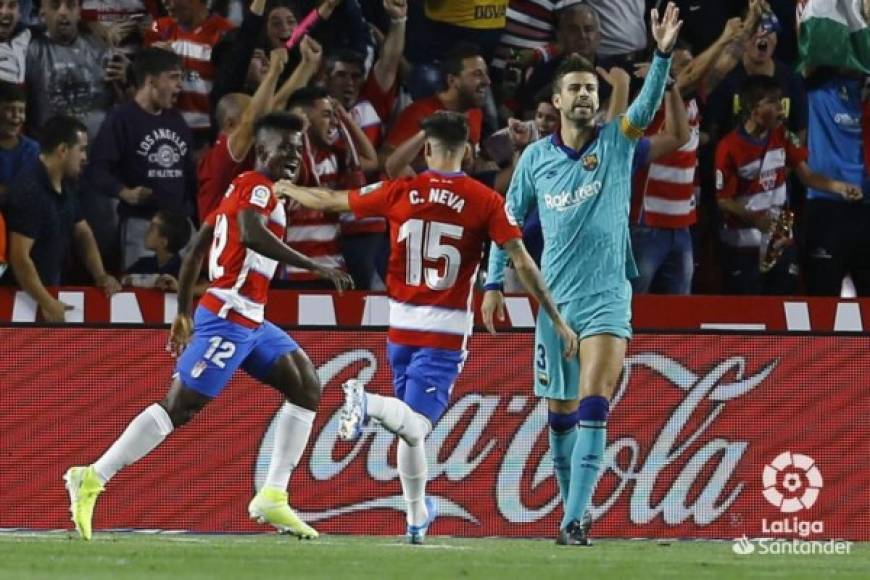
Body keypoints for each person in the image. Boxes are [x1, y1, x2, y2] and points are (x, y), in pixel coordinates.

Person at [274, 110, 577, 544]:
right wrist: (555, 316)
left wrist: (288, 189)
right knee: (417, 425)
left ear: (429, 148)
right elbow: (521, 260)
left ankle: (417, 516)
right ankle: (368, 403)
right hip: (445, 333)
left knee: (409, 431)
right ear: (469, 152)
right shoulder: (485, 200)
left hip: (398, 328)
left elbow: (331, 201)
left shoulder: (401, 190)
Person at [63, 111, 353, 541]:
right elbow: (251, 234)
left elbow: (198, 247)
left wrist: (182, 311)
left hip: (248, 317)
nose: (293, 156)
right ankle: (92, 476)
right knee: (179, 407)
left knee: (306, 385)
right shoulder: (255, 187)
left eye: (299, 148)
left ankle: (273, 495)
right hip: (229, 318)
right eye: (285, 148)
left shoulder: (246, 189)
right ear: (262, 149)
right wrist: (315, 265)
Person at [482, 3, 683, 546]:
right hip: (553, 303)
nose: (586, 95)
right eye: (575, 89)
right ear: (556, 100)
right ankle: (572, 512)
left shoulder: (617, 142)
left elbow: (642, 107)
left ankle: (575, 518)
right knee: (560, 416)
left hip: (606, 298)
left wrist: (661, 56)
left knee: (596, 395)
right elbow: (506, 221)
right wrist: (493, 282)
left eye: (591, 88)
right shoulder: (535, 161)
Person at [714, 75, 861, 295]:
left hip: (782, 243)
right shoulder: (728, 147)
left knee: (782, 310)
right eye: (773, 103)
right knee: (749, 314)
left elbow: (807, 176)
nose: (781, 110)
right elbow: (723, 201)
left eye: (780, 101)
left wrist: (840, 187)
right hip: (744, 247)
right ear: (754, 110)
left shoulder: (782, 136)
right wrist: (754, 218)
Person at [82, 47, 197, 270]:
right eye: (173, 78)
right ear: (151, 81)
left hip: (181, 225)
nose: (179, 86)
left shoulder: (178, 122)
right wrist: (124, 192)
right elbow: (96, 169)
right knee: (142, 289)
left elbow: (190, 177)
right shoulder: (121, 119)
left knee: (185, 293)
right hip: (143, 225)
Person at [5, 115, 121, 321]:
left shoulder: (66, 184)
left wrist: (100, 275)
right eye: (82, 149)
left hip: (48, 292)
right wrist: (47, 302)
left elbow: (82, 231)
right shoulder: (29, 191)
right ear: (63, 150)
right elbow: (19, 258)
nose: (85, 157)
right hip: (20, 303)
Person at [121, 209, 192, 291]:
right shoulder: (144, 264)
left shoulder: (185, 270)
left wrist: (179, 287)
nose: (146, 231)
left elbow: (207, 287)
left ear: (163, 242)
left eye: (151, 229)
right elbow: (122, 278)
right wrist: (150, 281)